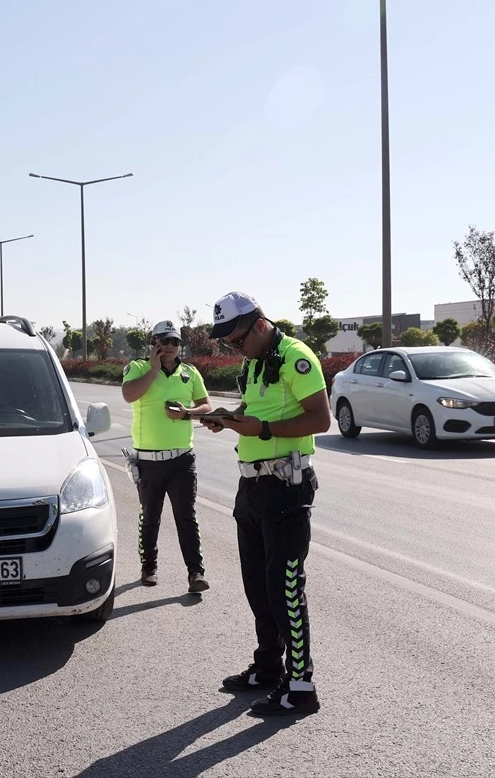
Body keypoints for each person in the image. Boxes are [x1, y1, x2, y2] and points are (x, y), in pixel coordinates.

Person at [202, 291, 332, 716]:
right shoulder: (255, 361)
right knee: (258, 587)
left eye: (236, 339)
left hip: (286, 490)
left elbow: (320, 418)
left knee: (285, 589)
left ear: (259, 324)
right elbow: (254, 412)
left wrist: (262, 429)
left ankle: (301, 685)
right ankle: (268, 667)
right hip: (251, 489)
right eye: (227, 343)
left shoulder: (296, 356)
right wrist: (228, 419)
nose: (233, 348)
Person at [121, 320, 213, 594]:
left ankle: (195, 573)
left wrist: (188, 413)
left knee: (187, 517)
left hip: (182, 460)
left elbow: (205, 405)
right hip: (149, 462)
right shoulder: (138, 368)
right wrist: (154, 370)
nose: (170, 346)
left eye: (175, 341)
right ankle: (149, 566)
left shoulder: (190, 373)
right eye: (165, 340)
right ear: (154, 343)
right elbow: (128, 395)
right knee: (150, 517)